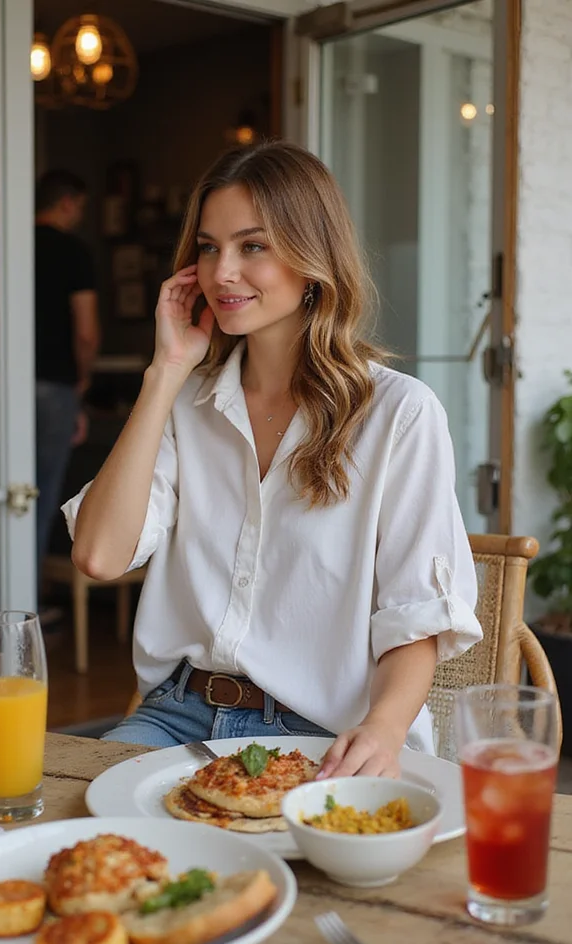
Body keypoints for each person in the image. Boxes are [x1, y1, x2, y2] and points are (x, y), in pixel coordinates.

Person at [62, 141, 482, 779]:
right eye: (209, 248)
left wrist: (384, 729)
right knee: (77, 830)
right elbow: (99, 556)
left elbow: (415, 617)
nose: (222, 272)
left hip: (322, 731)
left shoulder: (399, 414)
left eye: (252, 246)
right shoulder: (185, 404)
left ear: (313, 258)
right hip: (176, 718)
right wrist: (165, 372)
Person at [35, 169, 100, 582]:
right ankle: (27, 604)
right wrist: (82, 381)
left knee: (11, 497)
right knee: (38, 499)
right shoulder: (73, 252)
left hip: (4, 388)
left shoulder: (11, 245)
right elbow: (86, 331)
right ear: (66, 203)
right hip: (54, 387)